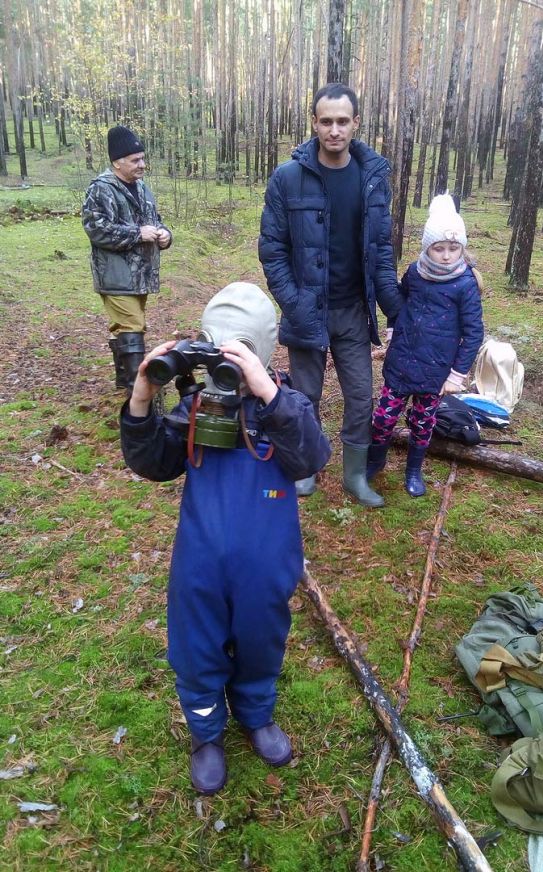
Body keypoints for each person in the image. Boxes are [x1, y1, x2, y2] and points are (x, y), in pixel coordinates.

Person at [119, 282, 331, 794]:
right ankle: (206, 732)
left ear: (262, 349)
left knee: (262, 638)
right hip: (201, 560)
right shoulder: (199, 407)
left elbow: (310, 459)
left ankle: (256, 714)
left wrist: (269, 392)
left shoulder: (288, 407)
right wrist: (143, 397)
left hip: (265, 561)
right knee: (196, 645)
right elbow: (153, 463)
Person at [258, 83, 402, 508]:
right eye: (326, 121)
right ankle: (304, 469)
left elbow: (380, 250)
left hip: (354, 312)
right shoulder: (288, 178)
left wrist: (394, 309)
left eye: (343, 121)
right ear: (314, 123)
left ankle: (355, 477)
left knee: (361, 397)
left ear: (356, 122)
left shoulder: (373, 178)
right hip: (307, 312)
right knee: (304, 397)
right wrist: (294, 302)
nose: (334, 130)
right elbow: (272, 249)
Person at [367, 194, 484, 497]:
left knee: (422, 423)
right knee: (383, 418)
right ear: (427, 247)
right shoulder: (414, 273)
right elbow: (399, 304)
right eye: (439, 248)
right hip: (402, 361)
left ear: (462, 247)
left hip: (436, 372)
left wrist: (456, 375)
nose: (446, 255)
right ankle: (375, 462)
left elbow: (473, 333)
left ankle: (413, 471)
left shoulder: (466, 284)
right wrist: (393, 332)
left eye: (453, 248)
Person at [82, 125, 172, 394]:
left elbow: (155, 221)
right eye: (135, 160)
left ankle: (124, 379)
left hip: (140, 274)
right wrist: (137, 234)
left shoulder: (142, 188)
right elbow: (95, 228)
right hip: (115, 275)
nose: (142, 164)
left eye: (143, 158)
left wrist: (165, 234)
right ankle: (138, 389)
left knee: (125, 327)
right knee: (133, 326)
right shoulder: (101, 189)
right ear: (117, 162)